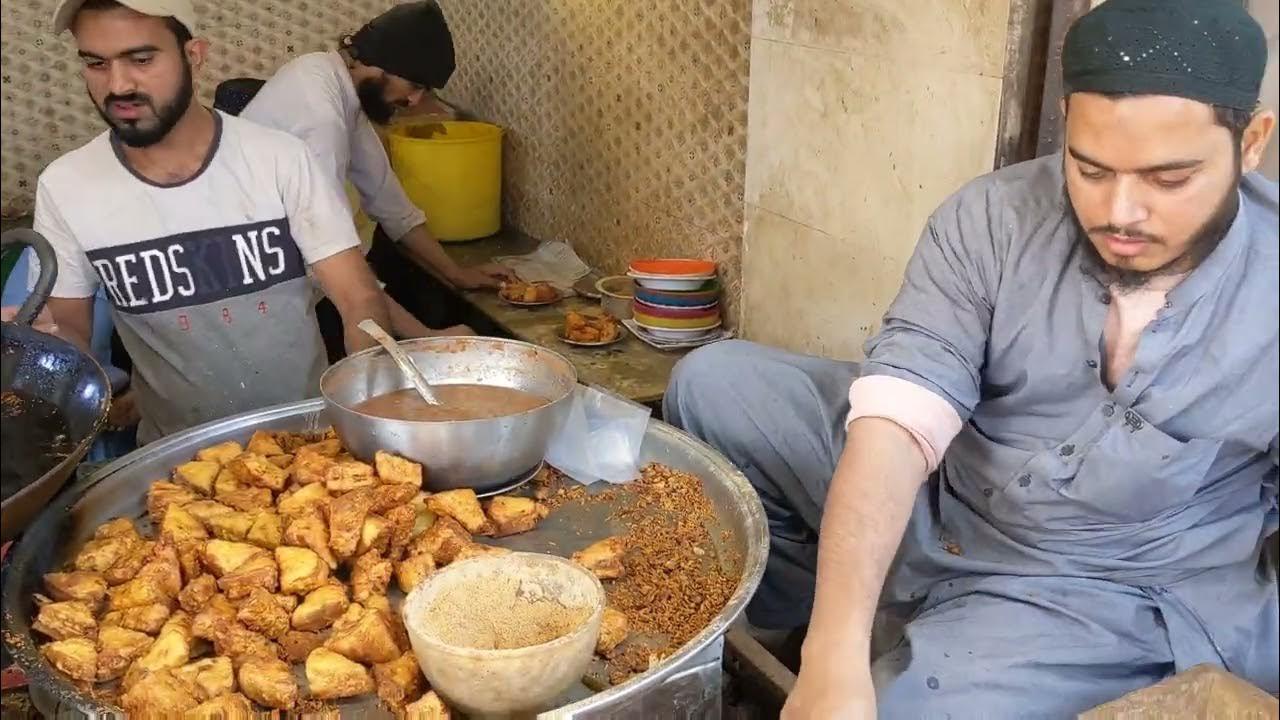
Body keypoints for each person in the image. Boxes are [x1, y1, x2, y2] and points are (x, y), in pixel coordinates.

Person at [665, 0, 1278, 716]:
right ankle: (788, 634)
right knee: (716, 384)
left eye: (1168, 180)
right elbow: (896, 424)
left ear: (1253, 141)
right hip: (950, 493)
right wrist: (830, 654)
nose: (1121, 212)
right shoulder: (993, 216)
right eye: (1089, 168)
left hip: (1098, 588)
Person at [36, 0, 391, 446]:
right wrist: (37, 342)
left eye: (141, 59)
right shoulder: (66, 186)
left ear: (194, 56)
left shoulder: (279, 160)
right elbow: (70, 330)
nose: (118, 84)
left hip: (307, 453)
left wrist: (365, 407)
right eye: (96, 64)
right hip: (176, 468)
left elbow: (358, 298)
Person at [241, 0, 511, 352]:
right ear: (378, 61)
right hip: (261, 283)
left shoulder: (334, 81)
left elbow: (386, 198)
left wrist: (456, 273)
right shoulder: (320, 117)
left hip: (295, 264)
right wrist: (424, 335)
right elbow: (325, 255)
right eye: (413, 84)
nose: (414, 101)